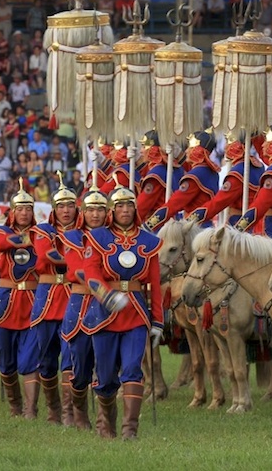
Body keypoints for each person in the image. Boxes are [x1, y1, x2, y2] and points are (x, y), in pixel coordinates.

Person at [81, 181, 164, 440]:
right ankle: (106, 424)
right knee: (105, 378)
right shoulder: (97, 237)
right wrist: (106, 296)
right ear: (112, 210)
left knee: (132, 370)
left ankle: (130, 431)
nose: (125, 210)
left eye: (129, 205)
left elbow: (155, 285)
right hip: (104, 313)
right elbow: (91, 274)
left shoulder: (148, 241)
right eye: (120, 206)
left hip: (136, 313)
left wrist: (158, 321)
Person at [0, 179, 39, 417]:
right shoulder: (1, 231)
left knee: (31, 357)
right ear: (12, 211)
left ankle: (30, 408)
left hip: (32, 298)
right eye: (20, 209)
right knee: (5, 360)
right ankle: (15, 404)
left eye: (28, 209)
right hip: (6, 299)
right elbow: (1, 244)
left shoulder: (42, 232)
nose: (25, 213)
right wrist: (33, 239)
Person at [29, 177, 77, 423]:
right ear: (54, 210)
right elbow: (47, 255)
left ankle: (69, 413)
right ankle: (53, 410)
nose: (66, 211)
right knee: (47, 361)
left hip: (73, 299)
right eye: (61, 206)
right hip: (47, 299)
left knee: (71, 359)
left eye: (70, 205)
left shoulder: (83, 233)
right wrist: (77, 259)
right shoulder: (42, 231)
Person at [60, 185, 107, 430]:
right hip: (81, 304)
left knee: (107, 364)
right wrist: (105, 287)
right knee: (79, 362)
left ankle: (103, 419)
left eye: (100, 210)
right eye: (91, 210)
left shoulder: (114, 238)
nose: (96, 215)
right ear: (83, 212)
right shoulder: (71, 237)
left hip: (105, 307)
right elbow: (78, 270)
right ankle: (77, 413)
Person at [146, 129, 219, 231]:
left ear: (198, 150)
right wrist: (176, 152)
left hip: (194, 228)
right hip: (204, 225)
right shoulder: (210, 171)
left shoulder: (196, 174)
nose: (187, 151)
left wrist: (149, 225)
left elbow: (174, 204)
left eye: (190, 147)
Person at [186, 133, 264, 227]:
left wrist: (192, 219)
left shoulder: (239, 171)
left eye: (229, 141)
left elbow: (219, 202)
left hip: (239, 223)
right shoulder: (257, 165)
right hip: (253, 223)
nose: (225, 146)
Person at [135, 130, 184, 222]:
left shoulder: (155, 174)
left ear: (154, 149)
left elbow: (142, 206)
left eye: (144, 146)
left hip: (159, 225)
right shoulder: (174, 168)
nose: (141, 151)